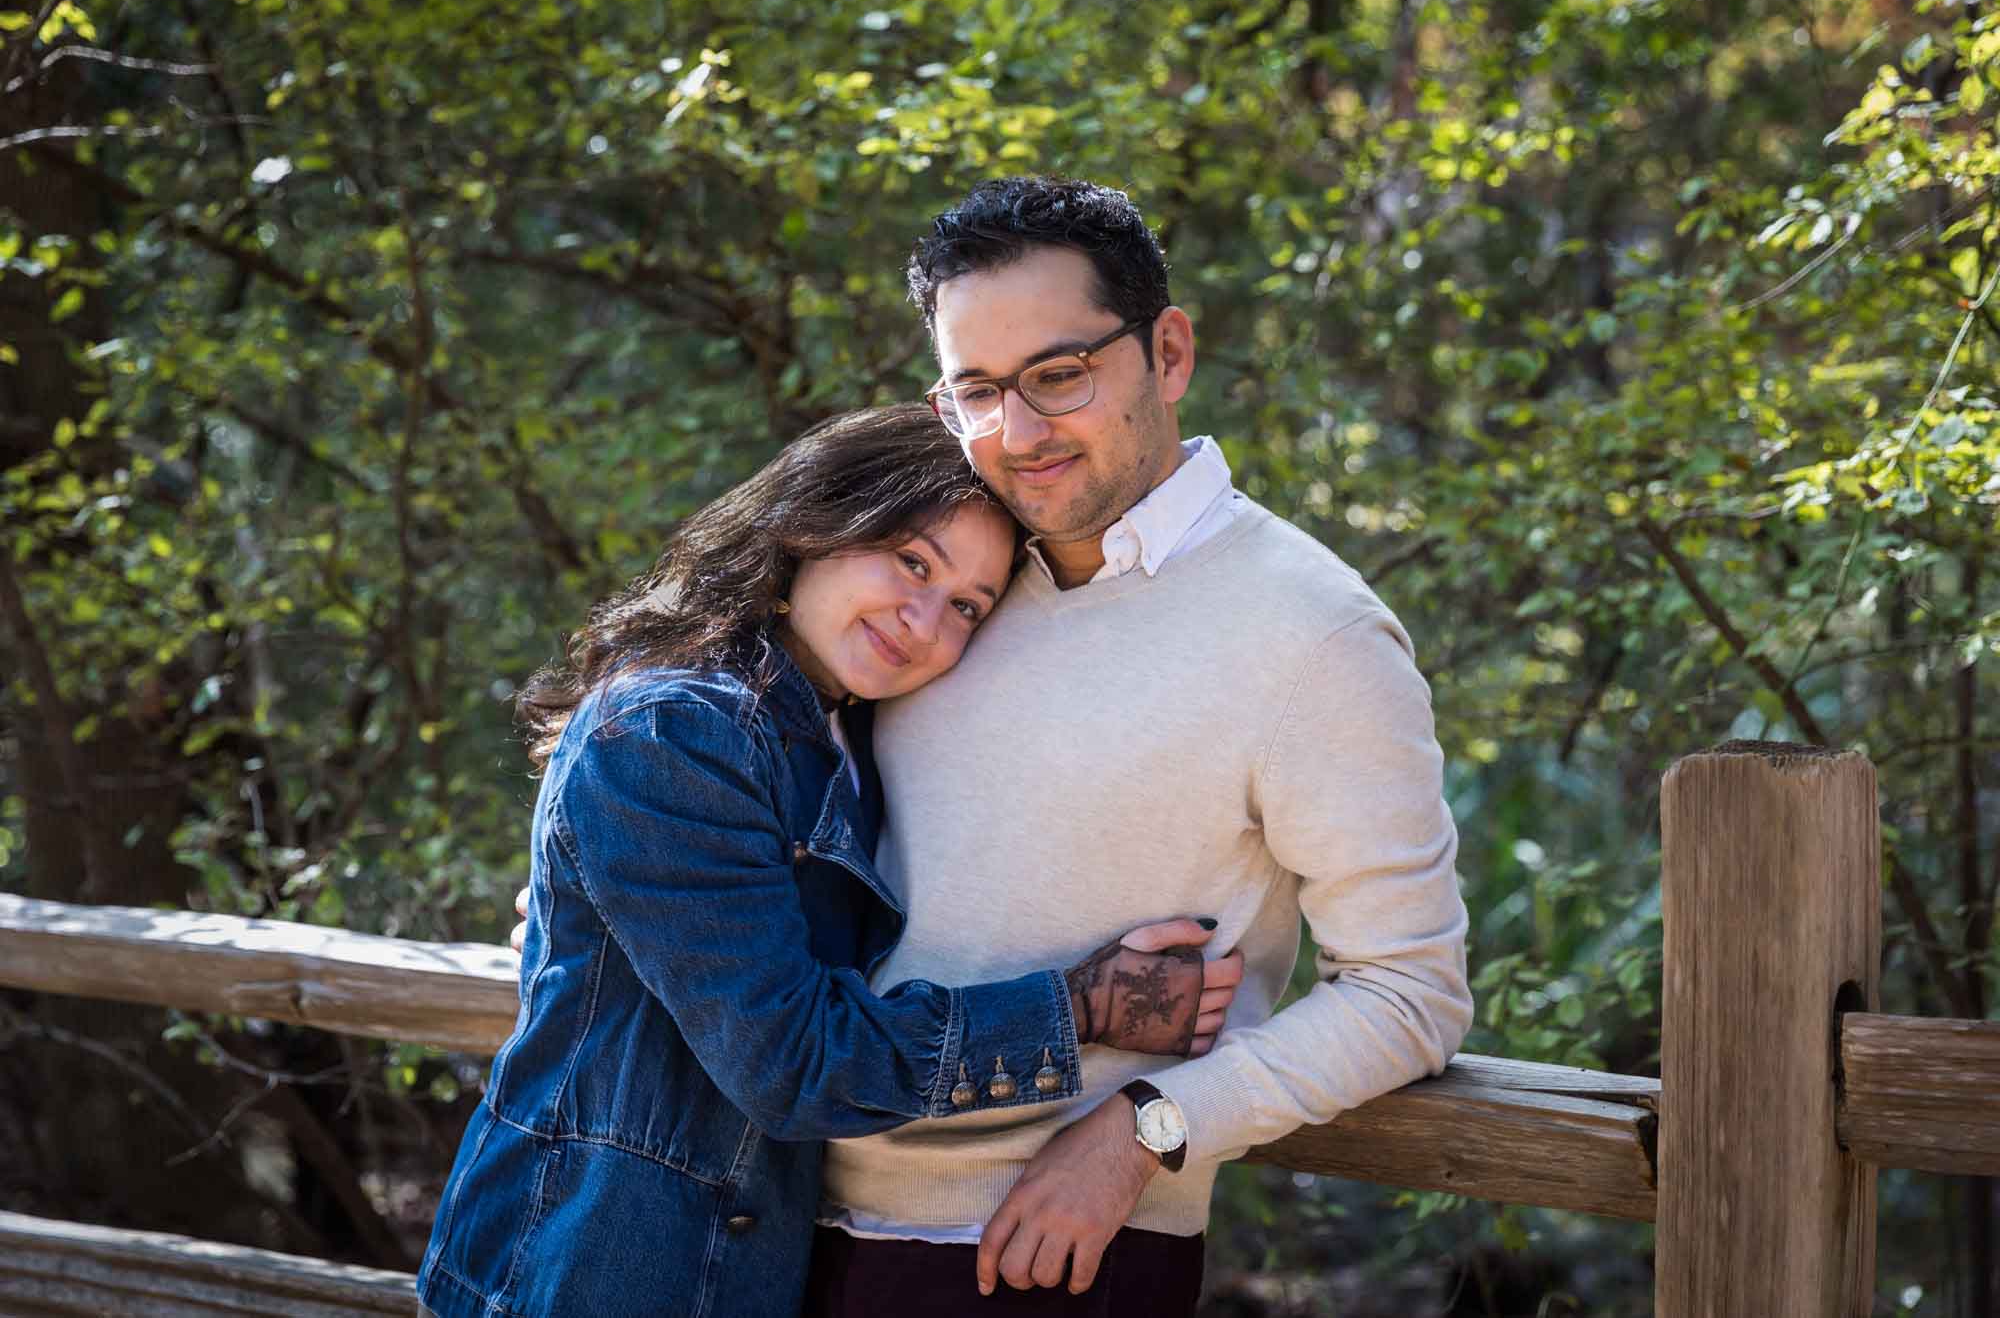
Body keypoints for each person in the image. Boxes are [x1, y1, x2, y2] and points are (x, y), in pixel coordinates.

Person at [793, 178, 1473, 1317]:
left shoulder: (1311, 632)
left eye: (1057, 376)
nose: (1013, 433)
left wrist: (1147, 1128)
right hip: (768, 1222)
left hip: (1044, 1258)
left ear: (1165, 352)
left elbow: (1408, 993)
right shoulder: (943, 580)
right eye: (974, 390)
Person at [418, 403, 1245, 1318]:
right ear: (818, 520)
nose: (926, 618)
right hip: (589, 1266)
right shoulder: (673, 728)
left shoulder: (843, 729)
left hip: (740, 1271)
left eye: (967, 604)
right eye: (912, 560)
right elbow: (795, 1062)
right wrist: (1083, 1005)